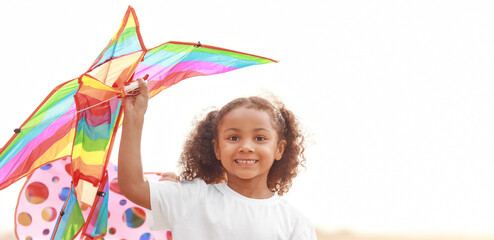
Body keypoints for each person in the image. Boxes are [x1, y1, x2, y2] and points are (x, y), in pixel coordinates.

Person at [118, 79, 316, 239]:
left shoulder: (296, 224)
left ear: (279, 149)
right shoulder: (191, 199)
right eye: (233, 138)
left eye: (260, 138)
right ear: (217, 148)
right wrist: (134, 118)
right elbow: (132, 186)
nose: (246, 147)